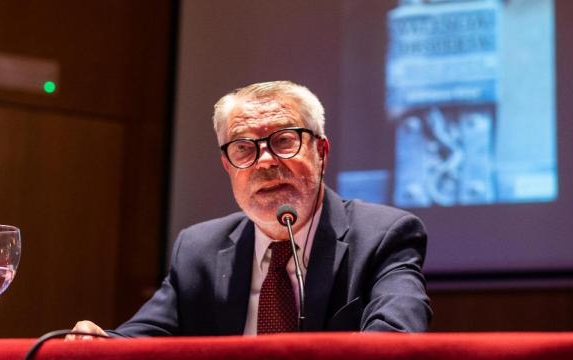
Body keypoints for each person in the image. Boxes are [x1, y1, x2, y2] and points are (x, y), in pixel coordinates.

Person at [72, 80, 432, 337]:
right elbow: (141, 338)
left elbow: (397, 338)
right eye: (243, 148)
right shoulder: (200, 249)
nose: (264, 161)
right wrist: (97, 342)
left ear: (321, 152)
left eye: (284, 141)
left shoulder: (384, 236)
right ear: (228, 166)